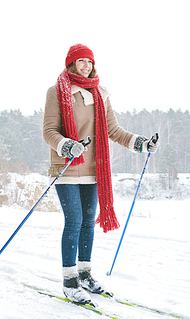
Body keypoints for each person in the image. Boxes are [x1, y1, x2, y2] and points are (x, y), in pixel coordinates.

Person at [43, 44, 159, 304]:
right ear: (72, 64)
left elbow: (113, 131)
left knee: (88, 222)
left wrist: (141, 144)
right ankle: (69, 280)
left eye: (89, 61)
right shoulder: (57, 91)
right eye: (81, 61)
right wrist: (67, 145)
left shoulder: (101, 93)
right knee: (73, 221)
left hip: (94, 170)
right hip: (67, 167)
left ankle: (85, 274)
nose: (86, 65)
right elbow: (49, 131)